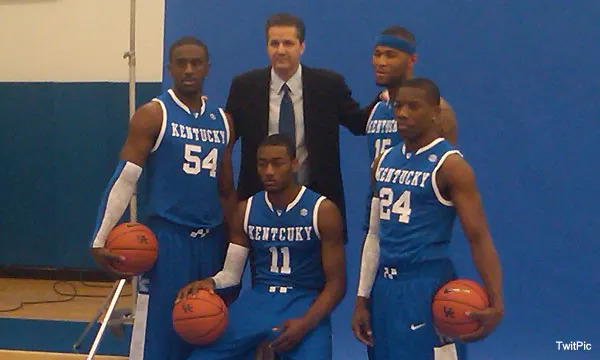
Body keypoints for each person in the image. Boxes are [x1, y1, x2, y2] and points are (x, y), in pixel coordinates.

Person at [89, 36, 238, 360]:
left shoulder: (223, 120)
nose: (188, 70)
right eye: (181, 63)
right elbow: (126, 178)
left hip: (210, 241)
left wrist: (233, 245)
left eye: (196, 63)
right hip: (167, 240)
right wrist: (100, 239)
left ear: (207, 68)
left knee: (204, 329)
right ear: (169, 68)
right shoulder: (154, 114)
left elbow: (226, 190)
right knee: (158, 335)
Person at [351, 78, 503, 359]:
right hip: (384, 288)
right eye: (398, 106)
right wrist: (362, 298)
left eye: (413, 106)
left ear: (434, 112)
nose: (403, 113)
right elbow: (373, 234)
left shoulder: (451, 167)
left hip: (426, 285)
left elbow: (478, 237)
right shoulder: (382, 161)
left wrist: (495, 300)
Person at [180, 134, 346, 360]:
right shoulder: (245, 210)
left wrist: (306, 324)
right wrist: (209, 283)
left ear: (294, 163)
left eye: (277, 163)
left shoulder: (322, 210)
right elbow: (231, 274)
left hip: (303, 301)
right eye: (262, 163)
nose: (269, 171)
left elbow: (336, 284)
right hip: (258, 301)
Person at [226, 12, 372, 240]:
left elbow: (360, 124)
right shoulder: (244, 87)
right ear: (266, 47)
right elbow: (226, 138)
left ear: (301, 46)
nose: (281, 50)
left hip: (316, 203)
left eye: (288, 43)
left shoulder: (328, 86)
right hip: (260, 205)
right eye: (274, 43)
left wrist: (390, 96)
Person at [367, 26, 457, 164]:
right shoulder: (378, 108)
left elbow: (447, 166)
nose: (381, 63)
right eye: (377, 54)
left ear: (412, 59)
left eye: (390, 55)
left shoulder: (435, 110)